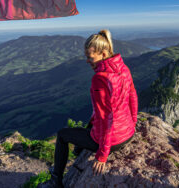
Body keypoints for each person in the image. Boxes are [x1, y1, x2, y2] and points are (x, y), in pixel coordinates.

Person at [40, 29, 138, 188]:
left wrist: (102, 155)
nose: (87, 61)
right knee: (90, 124)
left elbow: (106, 117)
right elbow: (132, 96)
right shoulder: (124, 68)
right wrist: (132, 123)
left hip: (112, 141)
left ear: (104, 53)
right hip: (128, 134)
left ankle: (55, 180)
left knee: (63, 135)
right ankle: (79, 152)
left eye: (90, 57)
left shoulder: (100, 79)